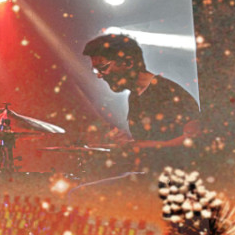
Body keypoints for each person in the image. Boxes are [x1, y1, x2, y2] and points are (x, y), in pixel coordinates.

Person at [82, 33, 201, 170]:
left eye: (103, 67)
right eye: (96, 70)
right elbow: (157, 139)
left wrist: (139, 146)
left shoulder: (167, 90)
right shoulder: (134, 96)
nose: (99, 75)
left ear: (128, 63)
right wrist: (128, 142)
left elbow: (194, 139)